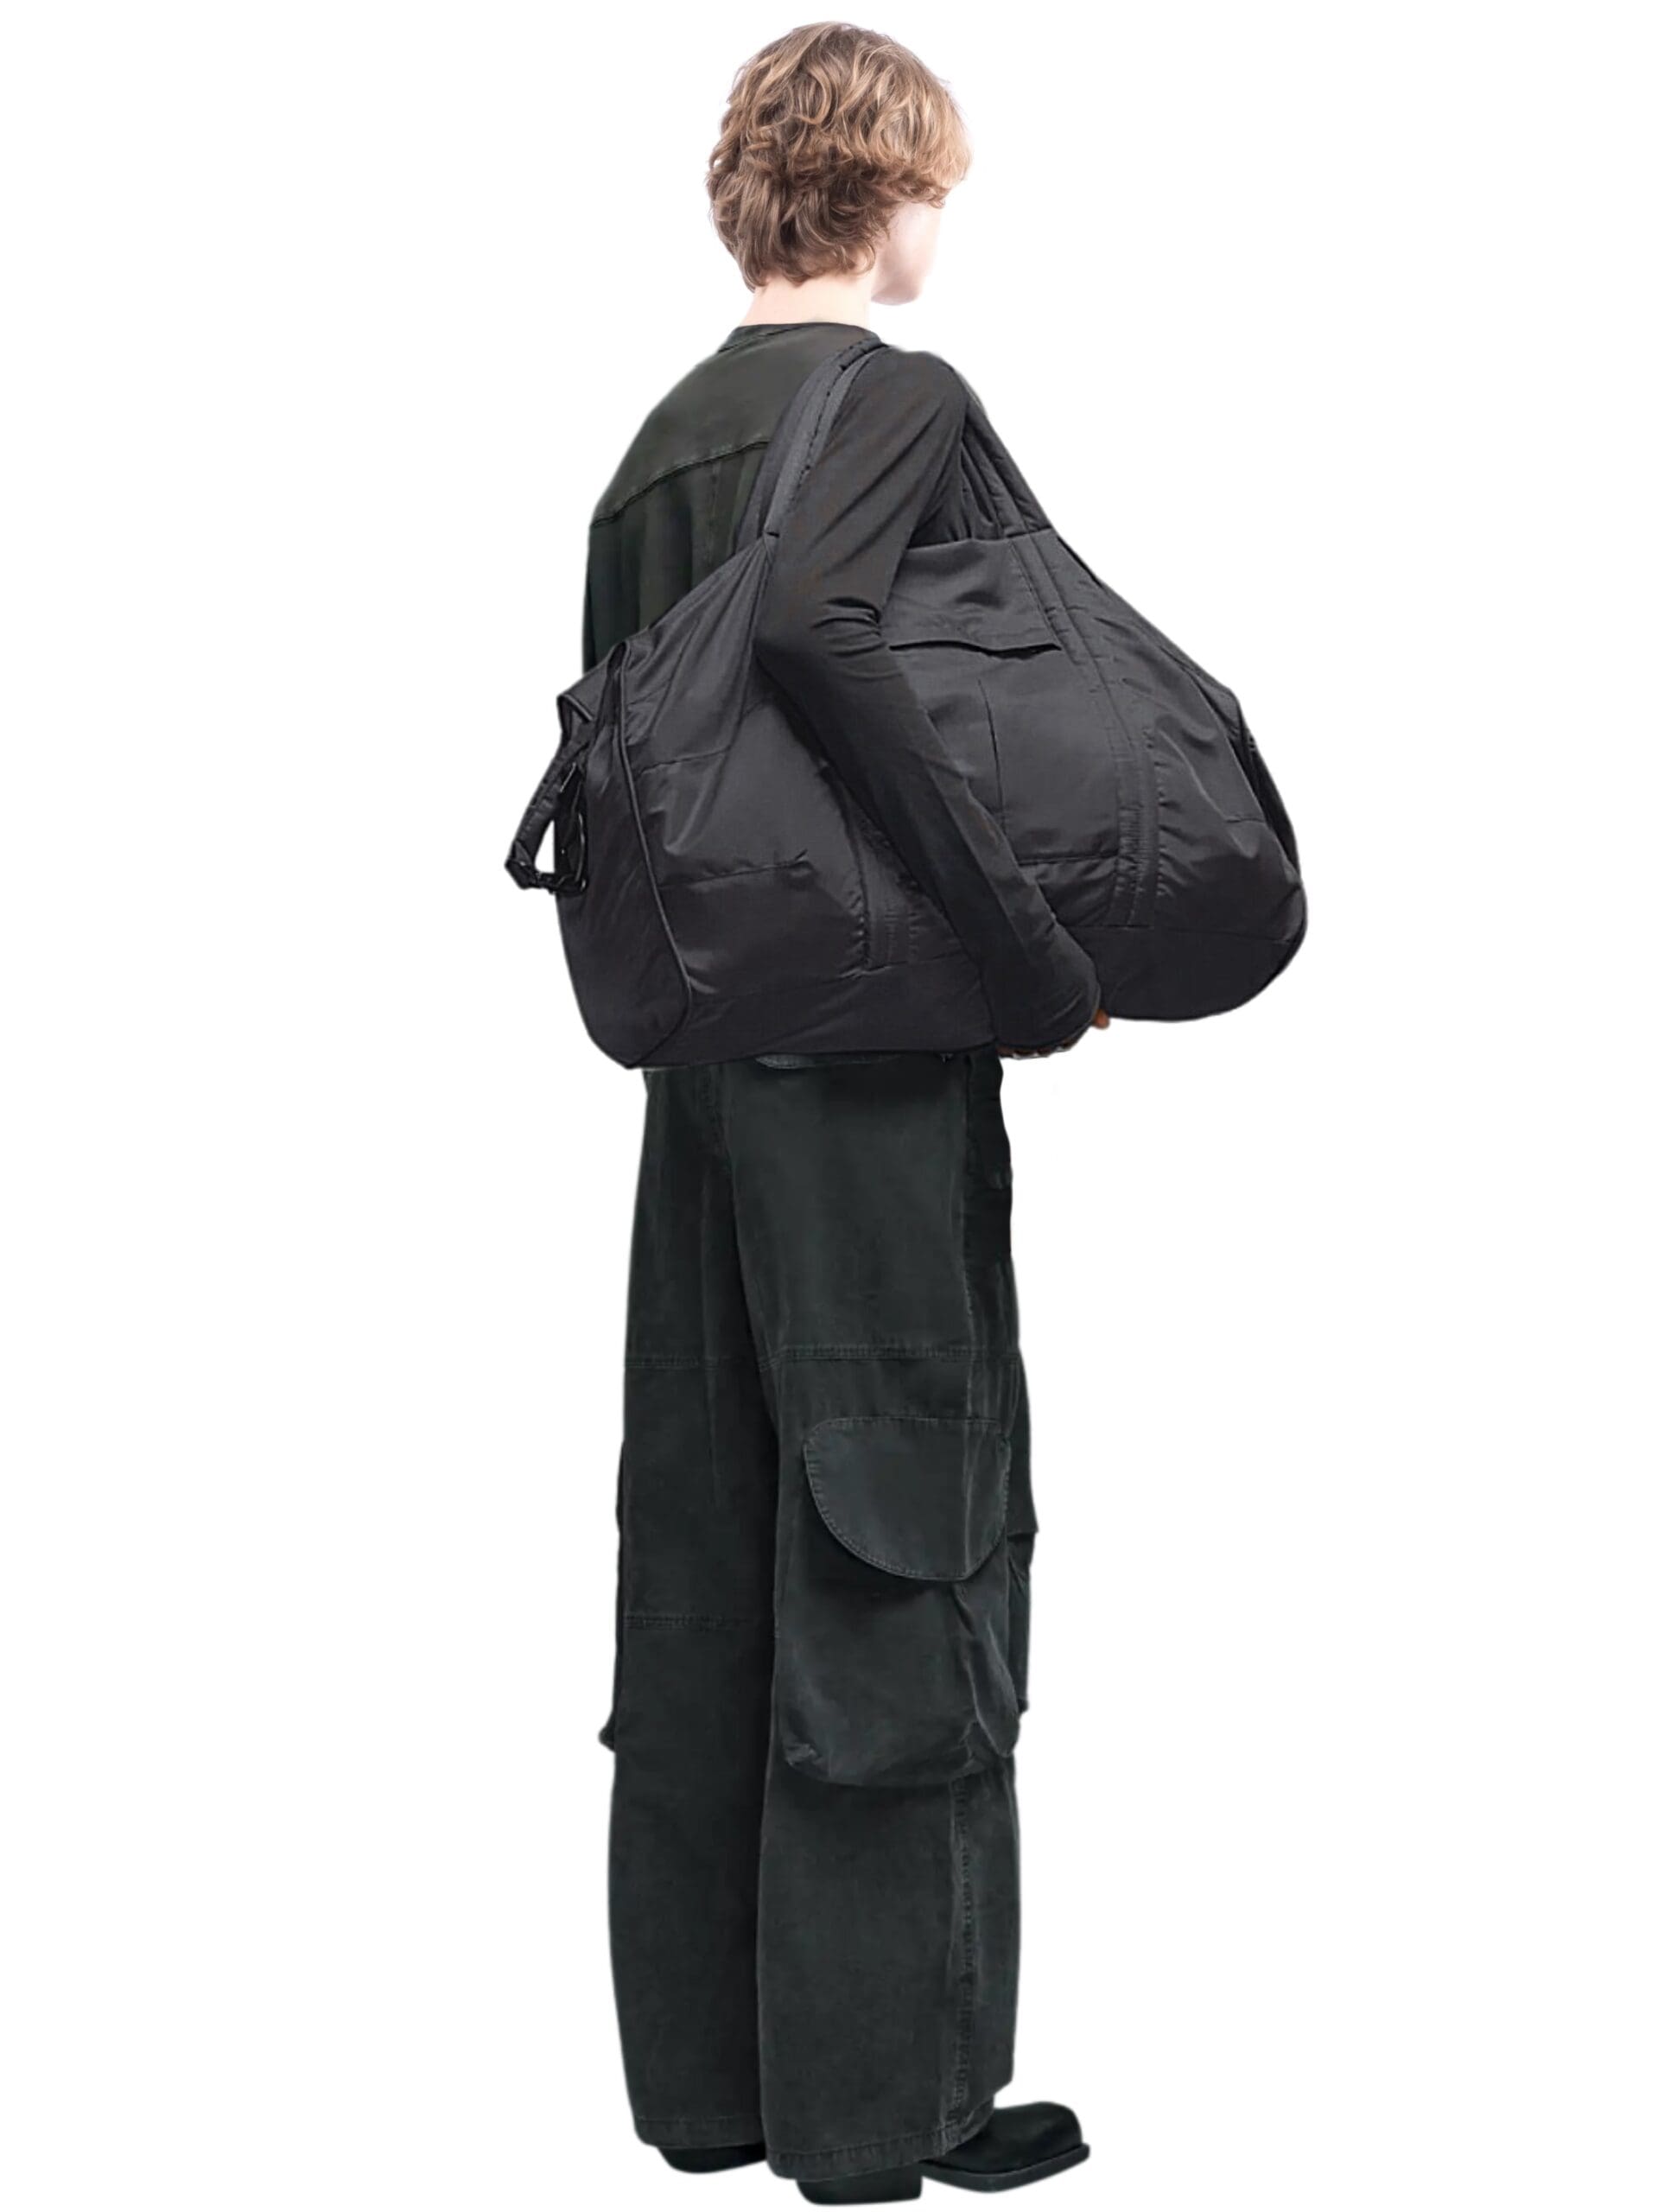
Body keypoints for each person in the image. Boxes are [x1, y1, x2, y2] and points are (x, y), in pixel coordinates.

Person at [584, 26, 1103, 2202]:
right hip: (869, 1072)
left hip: (703, 1076)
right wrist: (1036, 949)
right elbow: (926, 684)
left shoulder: (656, 449)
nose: (940, 228)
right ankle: (891, 2100)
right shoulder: (895, 406)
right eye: (937, 188)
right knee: (907, 1534)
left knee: (710, 1536)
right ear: (885, 189)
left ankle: (716, 2082)